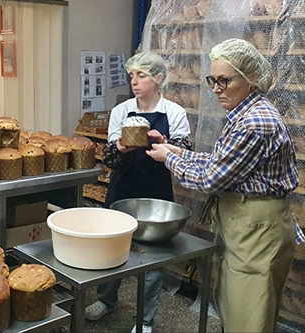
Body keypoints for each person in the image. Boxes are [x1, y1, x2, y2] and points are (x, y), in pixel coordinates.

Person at [147, 38, 304, 332]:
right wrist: (179, 152)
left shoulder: (254, 123)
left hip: (257, 231)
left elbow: (211, 179)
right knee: (238, 313)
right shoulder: (245, 113)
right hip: (249, 228)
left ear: (250, 79)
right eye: (212, 80)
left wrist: (168, 160)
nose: (216, 89)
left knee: (247, 321)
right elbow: (223, 163)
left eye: (224, 81)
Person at [85, 51, 192, 333]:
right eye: (132, 75)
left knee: (153, 257)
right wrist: (122, 147)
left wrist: (164, 144)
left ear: (158, 79)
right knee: (112, 247)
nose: (134, 81)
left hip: (156, 192)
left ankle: (145, 321)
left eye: (141, 75)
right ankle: (106, 300)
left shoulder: (174, 113)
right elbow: (108, 158)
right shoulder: (122, 111)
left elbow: (185, 154)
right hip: (123, 187)